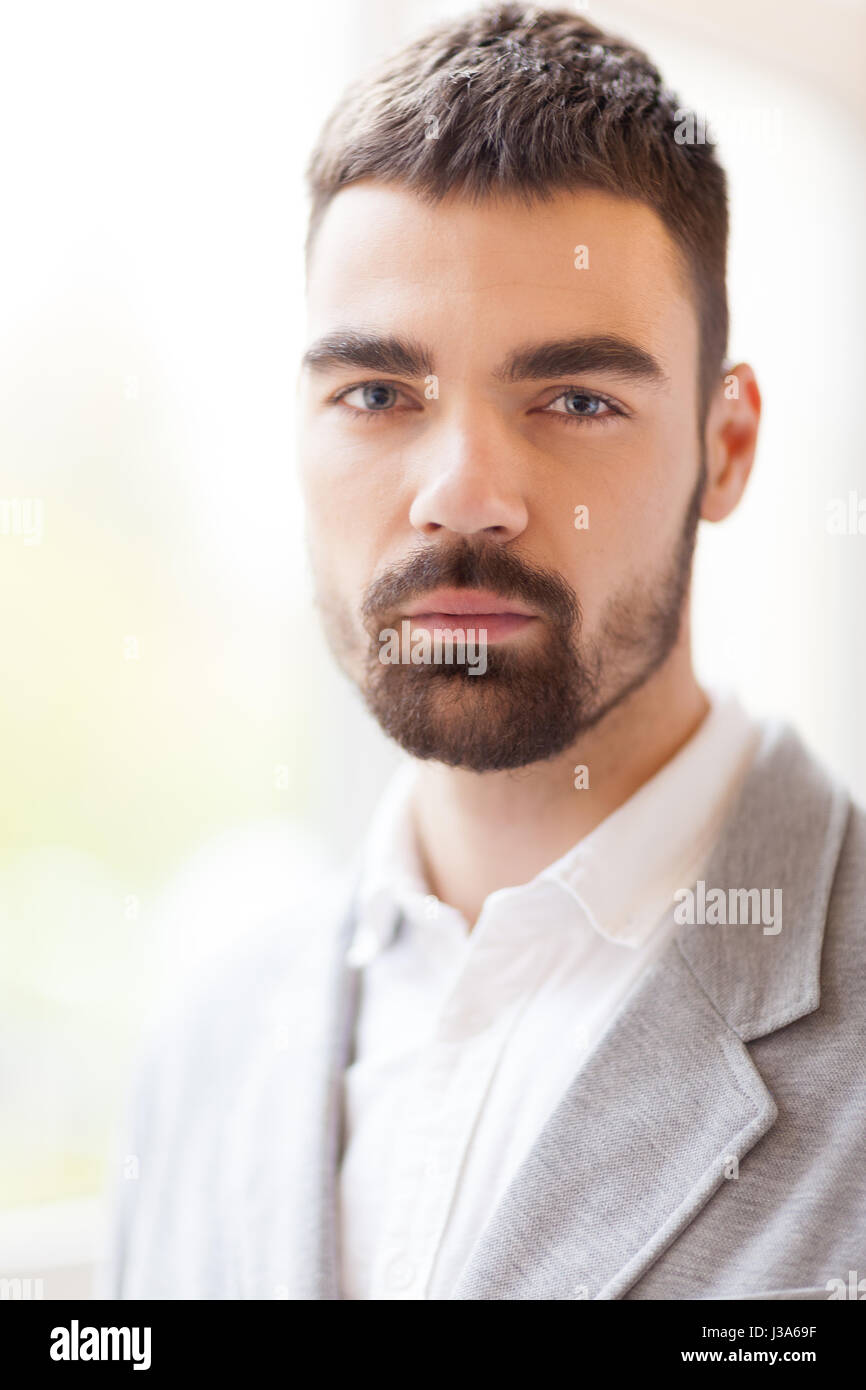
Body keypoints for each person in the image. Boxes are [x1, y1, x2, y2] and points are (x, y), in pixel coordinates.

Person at [99, 3, 865, 1301]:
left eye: (573, 399)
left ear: (722, 445)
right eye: (377, 394)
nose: (462, 492)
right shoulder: (206, 1040)